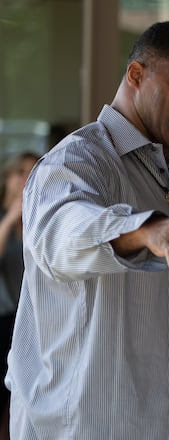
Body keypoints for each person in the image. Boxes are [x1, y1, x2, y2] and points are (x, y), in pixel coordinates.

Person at [5, 22, 169, 439]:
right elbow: (63, 233)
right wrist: (143, 232)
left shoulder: (163, 179)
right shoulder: (78, 160)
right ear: (136, 75)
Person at [0, 151, 39, 438]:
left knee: (20, 404)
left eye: (33, 170)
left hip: (30, 321)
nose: (26, 177)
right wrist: (12, 216)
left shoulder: (39, 218)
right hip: (2, 321)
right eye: (20, 171)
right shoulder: (4, 218)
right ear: (7, 177)